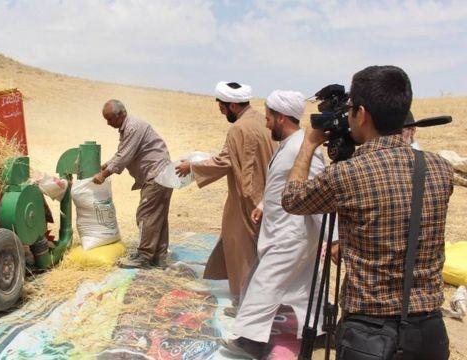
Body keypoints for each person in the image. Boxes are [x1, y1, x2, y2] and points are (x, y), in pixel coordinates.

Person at [282, 65, 453, 359]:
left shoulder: (349, 175)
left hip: (371, 336)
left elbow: (292, 199)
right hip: (429, 333)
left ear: (361, 114)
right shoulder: (440, 169)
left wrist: (310, 144)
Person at [219, 90, 332, 358]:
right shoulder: (290, 145)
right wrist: (262, 206)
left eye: (269, 117)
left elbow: (318, 192)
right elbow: (280, 185)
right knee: (307, 286)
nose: (266, 122)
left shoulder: (302, 149)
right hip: (287, 230)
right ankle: (318, 333)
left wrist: (333, 237)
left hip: (291, 234)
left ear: (281, 118)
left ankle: (250, 340)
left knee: (264, 284)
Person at [175, 81, 275, 311]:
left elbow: (226, 161)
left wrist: (191, 167)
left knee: (243, 248)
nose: (220, 112)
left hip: (248, 197)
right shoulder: (261, 120)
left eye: (221, 107)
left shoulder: (240, 128)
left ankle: (246, 304)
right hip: (266, 193)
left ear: (231, 105)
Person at [93, 99, 173, 269]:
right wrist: (107, 164)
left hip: (156, 175)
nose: (108, 124)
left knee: (146, 214)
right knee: (157, 217)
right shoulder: (128, 127)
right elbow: (123, 153)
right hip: (162, 174)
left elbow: (124, 156)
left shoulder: (133, 127)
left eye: (110, 119)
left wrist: (103, 174)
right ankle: (159, 256)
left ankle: (144, 256)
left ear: (121, 114)